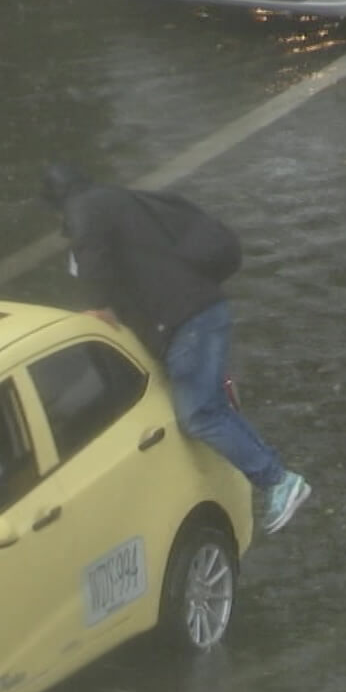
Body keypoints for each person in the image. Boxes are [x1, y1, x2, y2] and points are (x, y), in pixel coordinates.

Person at [41, 162, 311, 534]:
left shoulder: (85, 209)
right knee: (210, 405)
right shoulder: (122, 200)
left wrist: (98, 304)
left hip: (186, 323)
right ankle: (275, 477)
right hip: (203, 310)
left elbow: (92, 255)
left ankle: (277, 480)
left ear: (58, 203)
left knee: (199, 414)